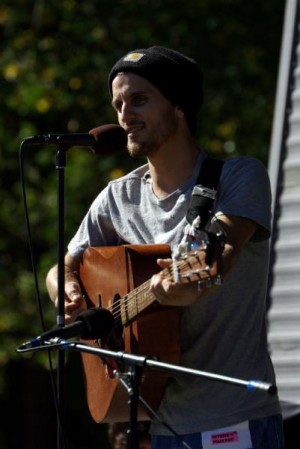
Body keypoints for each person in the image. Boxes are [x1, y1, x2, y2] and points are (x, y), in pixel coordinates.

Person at [46, 46, 284, 448]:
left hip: (234, 421)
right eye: (118, 103)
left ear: (179, 106)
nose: (124, 115)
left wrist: (189, 280)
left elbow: (221, 255)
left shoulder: (239, 176)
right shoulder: (117, 198)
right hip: (159, 425)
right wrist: (69, 293)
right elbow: (61, 268)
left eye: (139, 100)